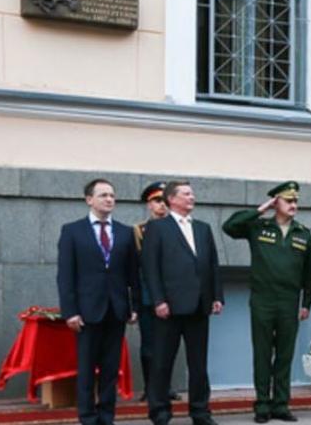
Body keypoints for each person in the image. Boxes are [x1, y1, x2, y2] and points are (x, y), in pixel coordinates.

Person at [222, 181, 311, 423]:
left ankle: (281, 404)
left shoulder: (303, 233)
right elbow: (230, 226)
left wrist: (306, 303)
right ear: (276, 203)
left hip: (289, 302)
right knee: (262, 354)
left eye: (296, 201)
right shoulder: (259, 227)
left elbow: (310, 274)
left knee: (285, 355)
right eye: (288, 200)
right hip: (263, 300)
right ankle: (262, 404)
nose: (294, 204)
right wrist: (261, 209)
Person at [57, 178, 140, 425]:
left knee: (110, 370)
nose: (109, 200)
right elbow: (65, 275)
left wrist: (134, 306)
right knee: (86, 369)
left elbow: (133, 274)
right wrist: (70, 311)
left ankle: (106, 416)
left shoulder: (125, 232)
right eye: (103, 195)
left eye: (112, 196)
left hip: (116, 310)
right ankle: (87, 416)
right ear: (89, 199)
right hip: (86, 311)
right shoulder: (72, 231)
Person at [142, 180, 223, 425]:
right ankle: (160, 412)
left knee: (198, 364)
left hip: (199, 306)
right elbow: (150, 268)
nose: (192, 197)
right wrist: (158, 300)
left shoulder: (203, 228)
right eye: (186, 194)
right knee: (162, 362)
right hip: (169, 307)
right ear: (172, 199)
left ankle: (200, 411)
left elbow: (213, 265)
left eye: (192, 193)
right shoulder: (158, 228)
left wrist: (217, 296)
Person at [132, 181, 178, 402]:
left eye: (165, 200)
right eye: (157, 201)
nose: (162, 205)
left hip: (174, 296)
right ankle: (151, 387)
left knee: (169, 344)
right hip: (148, 298)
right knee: (150, 345)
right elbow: (137, 269)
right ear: (149, 205)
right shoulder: (139, 231)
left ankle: (165, 387)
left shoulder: (178, 227)